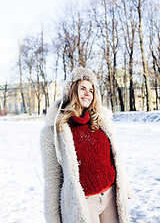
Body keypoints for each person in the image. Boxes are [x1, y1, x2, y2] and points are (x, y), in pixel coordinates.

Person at [40, 67, 132, 223]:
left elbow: (115, 158)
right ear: (72, 91)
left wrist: (125, 186)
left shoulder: (101, 121)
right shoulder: (54, 131)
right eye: (82, 88)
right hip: (84, 203)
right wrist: (53, 218)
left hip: (110, 197)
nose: (88, 93)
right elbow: (52, 180)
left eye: (91, 90)